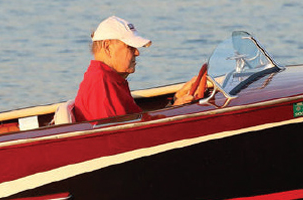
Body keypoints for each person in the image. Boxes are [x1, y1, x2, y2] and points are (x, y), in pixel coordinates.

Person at [72, 16, 206, 122]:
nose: (137, 53)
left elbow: (137, 122)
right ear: (107, 47)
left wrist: (175, 101)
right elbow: (123, 136)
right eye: (130, 47)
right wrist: (176, 109)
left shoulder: (109, 78)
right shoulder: (101, 80)